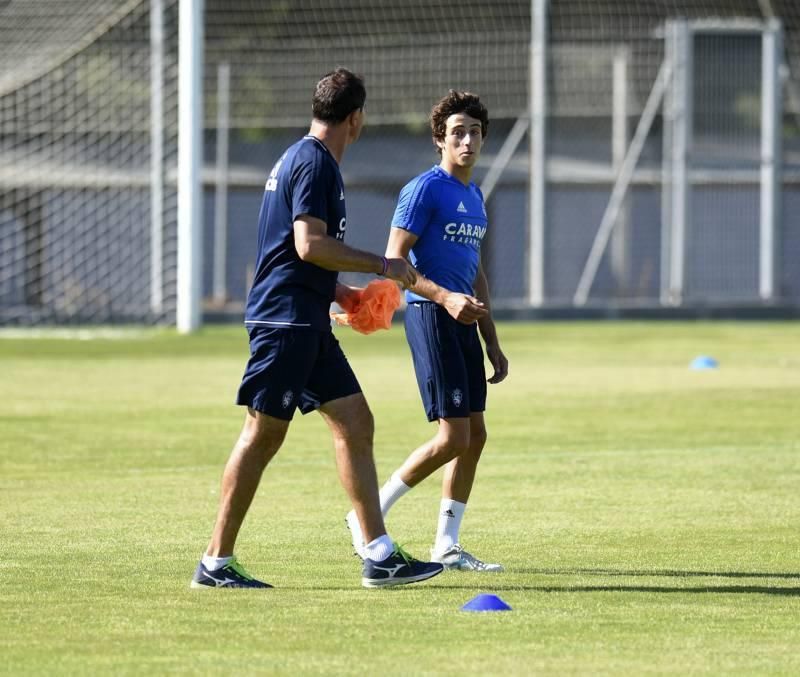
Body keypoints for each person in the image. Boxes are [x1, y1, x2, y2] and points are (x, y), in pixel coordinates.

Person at [191, 68, 443, 589]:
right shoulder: (315, 163)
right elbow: (308, 245)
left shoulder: (300, 157)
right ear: (357, 119)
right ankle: (215, 563)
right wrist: (381, 266)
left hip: (305, 317)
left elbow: (294, 250)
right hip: (285, 321)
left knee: (355, 421)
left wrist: (341, 293)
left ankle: (379, 554)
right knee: (262, 435)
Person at [346, 90, 508, 572]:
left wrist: (492, 340)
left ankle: (447, 545)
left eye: (475, 131)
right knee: (453, 437)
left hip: (463, 321)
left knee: (474, 436)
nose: (467, 139)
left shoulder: (474, 196)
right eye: (457, 131)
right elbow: (394, 261)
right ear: (440, 139)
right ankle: (366, 516)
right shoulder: (423, 190)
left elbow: (474, 272)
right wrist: (444, 297)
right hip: (431, 316)